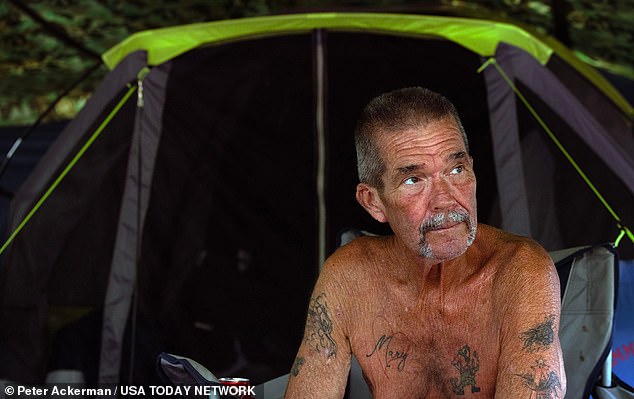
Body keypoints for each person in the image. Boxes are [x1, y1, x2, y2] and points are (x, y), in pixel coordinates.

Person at [284, 87, 566, 398]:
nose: (446, 201)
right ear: (373, 202)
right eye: (413, 180)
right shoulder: (348, 277)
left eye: (456, 170)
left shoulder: (520, 273)